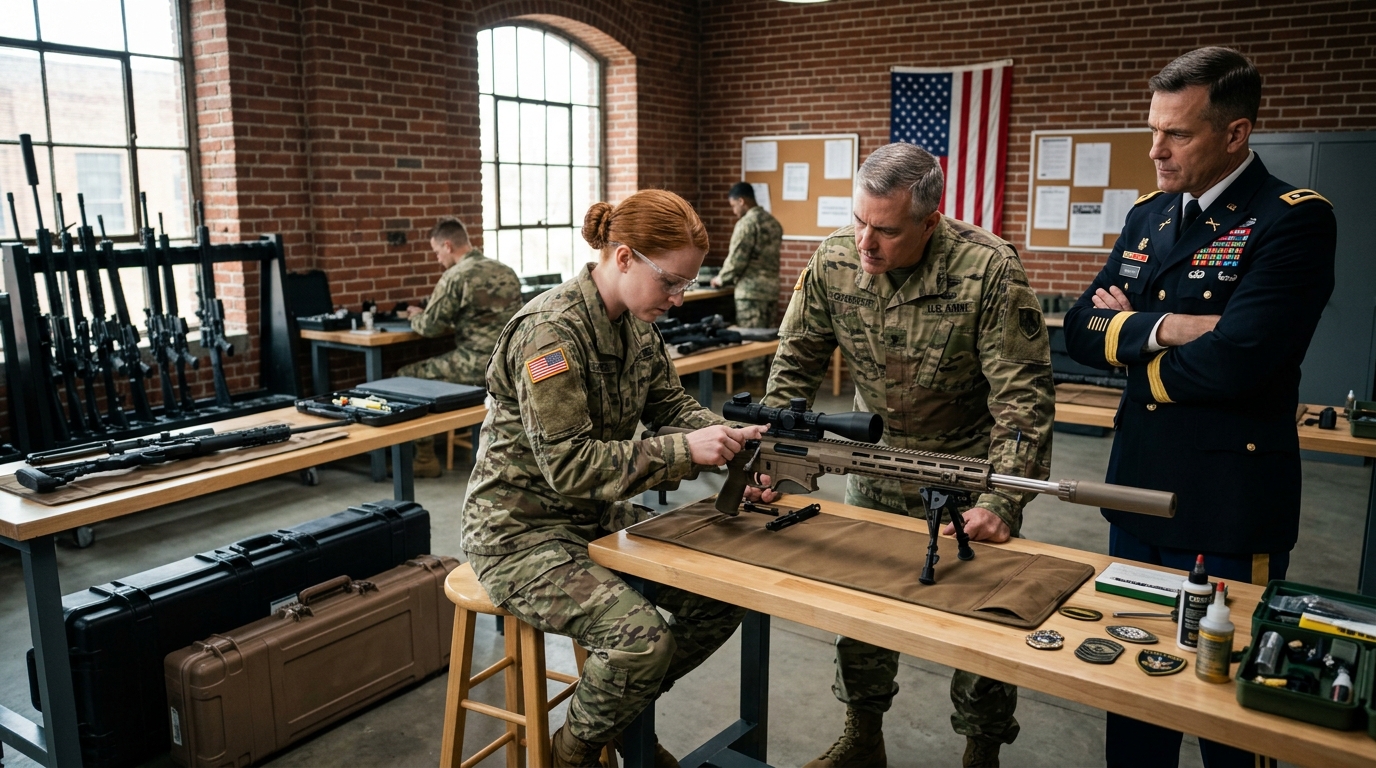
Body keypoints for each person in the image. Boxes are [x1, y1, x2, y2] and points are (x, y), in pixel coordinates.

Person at [1062, 47, 1336, 768]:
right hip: (1137, 491)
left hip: (1225, 500)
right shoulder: (1151, 217)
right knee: (1134, 680)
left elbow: (1240, 361)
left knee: (1223, 705)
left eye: (1176, 134)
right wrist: (1165, 327)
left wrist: (1132, 349)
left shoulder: (1291, 222)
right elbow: (1078, 332)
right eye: (1153, 129)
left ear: (1236, 133)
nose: (1155, 150)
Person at [765, 142, 1055, 768]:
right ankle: (863, 737)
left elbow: (1023, 397)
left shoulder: (988, 269)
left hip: (969, 469)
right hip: (873, 463)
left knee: (979, 622)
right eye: (859, 221)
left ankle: (981, 751)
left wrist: (1004, 498)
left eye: (886, 231)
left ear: (930, 221)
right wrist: (775, 454)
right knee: (862, 611)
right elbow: (794, 366)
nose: (866, 243)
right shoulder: (835, 259)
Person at [461, 190, 774, 767]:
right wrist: (686, 451)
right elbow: (569, 466)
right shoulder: (550, 334)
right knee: (643, 643)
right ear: (624, 257)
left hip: (593, 522)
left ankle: (618, 710)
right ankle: (570, 754)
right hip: (519, 535)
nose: (679, 299)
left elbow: (671, 406)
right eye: (671, 283)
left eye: (687, 285)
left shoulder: (636, 326)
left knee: (722, 597)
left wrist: (735, 445)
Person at [398, 218, 522, 476]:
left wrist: (414, 316)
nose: (437, 258)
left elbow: (430, 327)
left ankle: (424, 460)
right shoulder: (504, 270)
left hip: (476, 362)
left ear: (447, 245)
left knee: (405, 377)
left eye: (436, 252)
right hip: (509, 362)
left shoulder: (455, 276)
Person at [710, 181, 783, 384]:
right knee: (768, 339)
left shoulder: (747, 224)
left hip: (750, 293)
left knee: (751, 341)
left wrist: (720, 279)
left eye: (734, 206)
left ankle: (754, 386)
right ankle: (769, 384)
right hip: (770, 290)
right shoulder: (772, 222)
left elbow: (737, 259)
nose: (734, 211)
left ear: (742, 201)